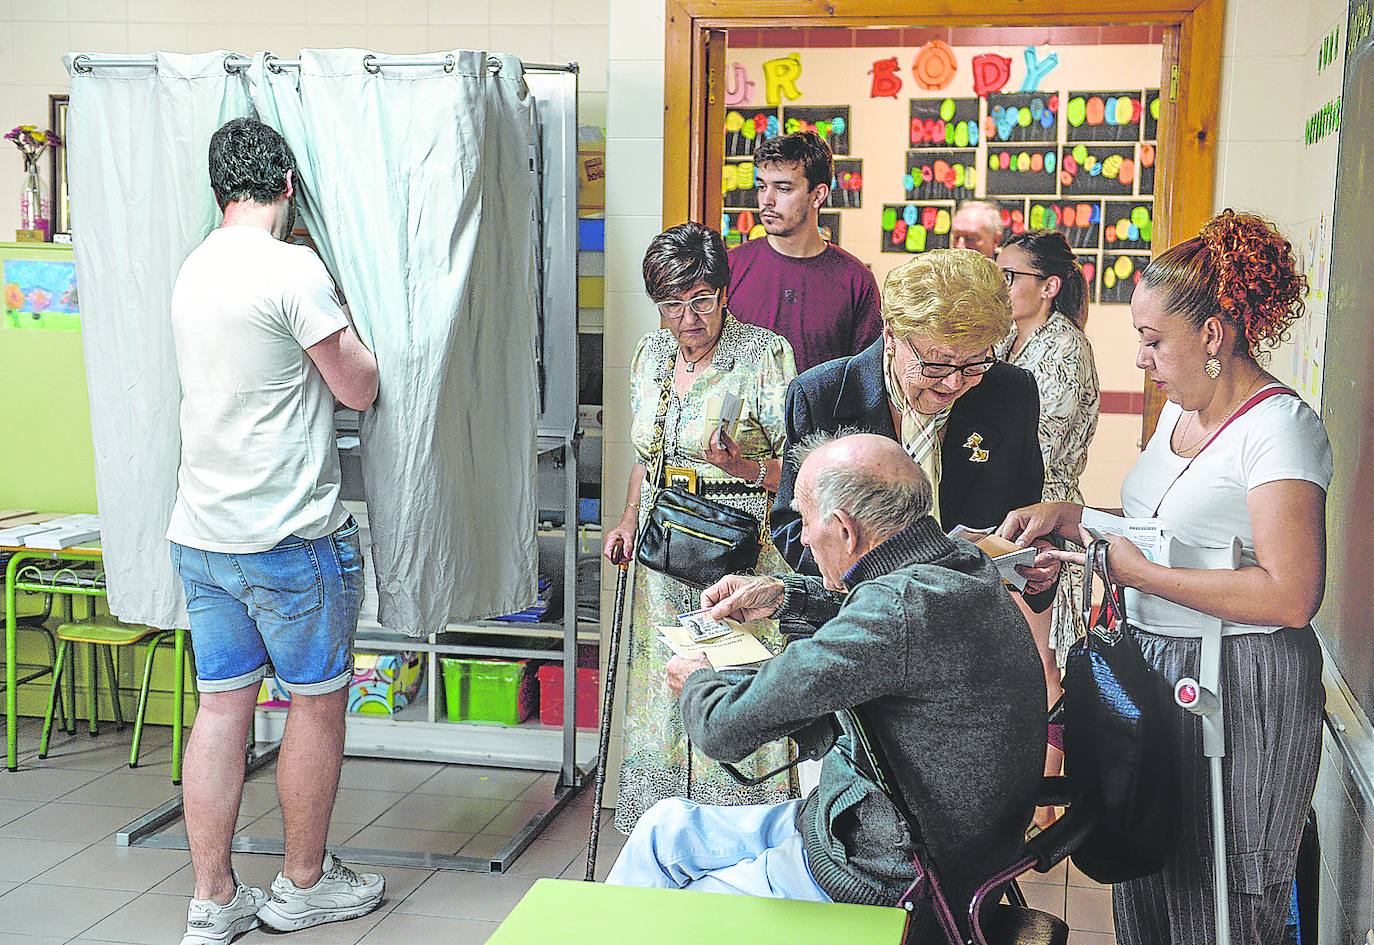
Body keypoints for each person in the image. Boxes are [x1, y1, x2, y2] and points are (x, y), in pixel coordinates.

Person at [999, 210, 1331, 945]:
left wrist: (1142, 571)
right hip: (1160, 670)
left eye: (1153, 340)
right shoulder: (1179, 419)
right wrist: (1074, 516)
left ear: (1212, 335)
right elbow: (1165, 530)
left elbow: (1291, 592)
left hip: (1241, 683)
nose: (1142, 359)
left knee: (1222, 890)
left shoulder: (1278, 429)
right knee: (1148, 871)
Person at [607, 433, 1046, 942]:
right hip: (909, 842)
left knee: (658, 920)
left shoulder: (896, 611)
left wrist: (698, 680)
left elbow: (722, 728)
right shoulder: (958, 567)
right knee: (663, 826)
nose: (804, 535)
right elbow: (890, 628)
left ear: (843, 530)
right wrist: (785, 595)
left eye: (806, 517)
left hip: (880, 878)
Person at [167, 118, 383, 945]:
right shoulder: (293, 269)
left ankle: (213, 898)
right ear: (290, 185)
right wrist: (355, 323)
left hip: (203, 532)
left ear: (219, 190)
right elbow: (357, 388)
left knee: (220, 710)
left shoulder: (193, 269)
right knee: (317, 705)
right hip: (288, 536)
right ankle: (302, 883)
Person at [601, 222, 798, 834]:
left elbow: (798, 469)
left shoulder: (765, 354)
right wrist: (629, 517)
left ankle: (739, 826)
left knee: (734, 680)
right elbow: (646, 456)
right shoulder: (650, 355)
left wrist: (743, 465)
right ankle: (663, 823)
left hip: (738, 558)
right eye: (670, 305)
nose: (686, 319)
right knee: (665, 686)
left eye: (700, 300)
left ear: (722, 292)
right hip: (663, 550)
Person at [772, 249, 1057, 613]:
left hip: (969, 621)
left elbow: (1023, 512)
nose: (954, 383)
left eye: (974, 363)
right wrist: (904, 575)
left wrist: (1038, 560)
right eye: (937, 363)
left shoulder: (1010, 392)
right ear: (891, 335)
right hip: (854, 621)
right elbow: (792, 528)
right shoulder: (823, 394)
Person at [995, 230, 1101, 807]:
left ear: (1050, 286)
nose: (1002, 285)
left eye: (1012, 276)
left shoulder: (1064, 349)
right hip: (1013, 516)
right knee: (1018, 656)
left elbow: (1041, 444)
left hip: (1045, 516)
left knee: (1041, 663)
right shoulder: (1011, 341)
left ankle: (1042, 796)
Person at [727, 130, 882, 373]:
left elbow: (865, 382)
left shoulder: (856, 281)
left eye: (783, 188)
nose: (767, 199)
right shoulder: (730, 267)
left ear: (818, 195)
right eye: (761, 187)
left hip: (823, 411)